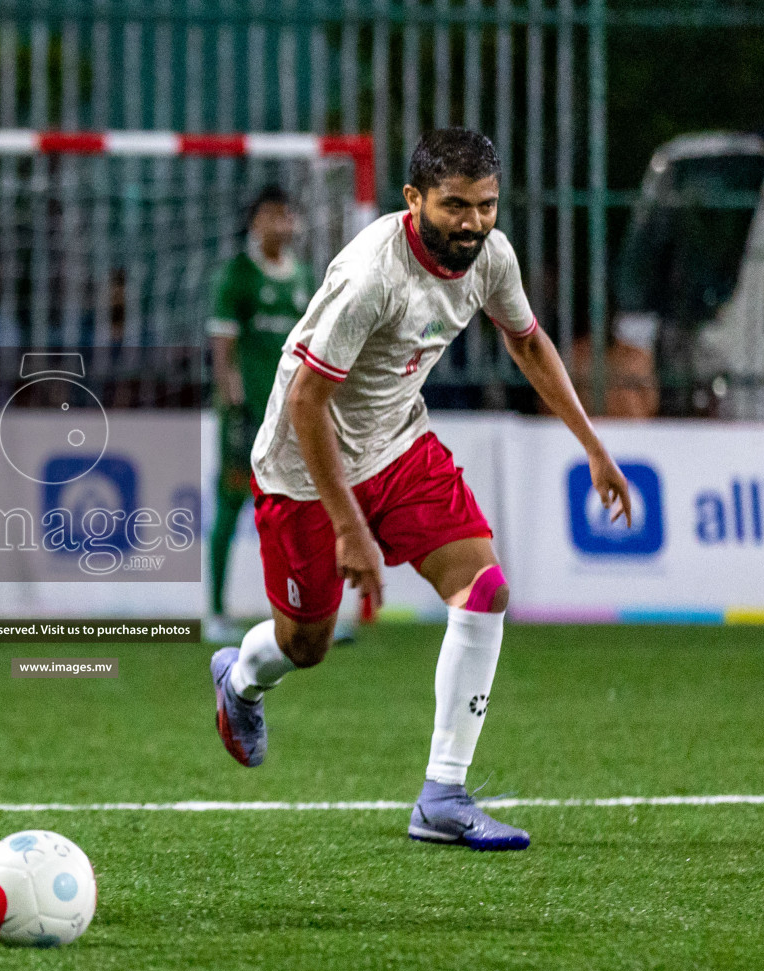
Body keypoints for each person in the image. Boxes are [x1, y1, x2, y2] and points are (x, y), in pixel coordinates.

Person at [208, 128, 632, 851]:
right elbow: (308, 401)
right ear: (414, 200)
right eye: (454, 206)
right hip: (304, 467)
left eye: (486, 206)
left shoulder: (492, 256)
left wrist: (593, 446)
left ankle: (443, 793)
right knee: (305, 643)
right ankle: (241, 678)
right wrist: (350, 528)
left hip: (399, 442)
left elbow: (526, 341)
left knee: (484, 589)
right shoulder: (374, 274)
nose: (472, 224)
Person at [204, 186, 320, 646]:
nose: (283, 223)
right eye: (273, 215)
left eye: (288, 214)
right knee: (231, 507)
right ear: (255, 223)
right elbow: (223, 349)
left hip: (295, 414)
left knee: (304, 510)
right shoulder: (237, 275)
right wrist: (233, 406)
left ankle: (310, 614)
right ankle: (215, 610)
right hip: (247, 413)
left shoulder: (305, 277)